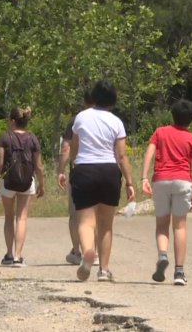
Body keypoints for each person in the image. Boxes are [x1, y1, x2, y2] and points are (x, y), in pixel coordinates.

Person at [65, 80, 135, 282]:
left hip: (85, 169)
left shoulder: (81, 118)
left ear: (93, 97)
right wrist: (130, 182)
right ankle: (104, 270)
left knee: (86, 221)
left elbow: (74, 147)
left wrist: (75, 164)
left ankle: (87, 251)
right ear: (113, 99)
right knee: (106, 224)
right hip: (109, 171)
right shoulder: (116, 122)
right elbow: (121, 156)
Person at [141, 99, 192, 286]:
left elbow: (149, 153)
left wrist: (144, 177)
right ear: (191, 119)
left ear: (172, 114)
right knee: (180, 226)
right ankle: (179, 272)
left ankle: (163, 255)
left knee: (161, 225)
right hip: (183, 181)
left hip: (161, 180)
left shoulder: (160, 132)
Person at [0, 107, 45, 267]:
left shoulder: (5, 138)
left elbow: (0, 164)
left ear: (13, 121)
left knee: (9, 217)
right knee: (21, 218)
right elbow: (39, 166)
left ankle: (8, 254)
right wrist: (42, 185)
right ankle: (18, 257)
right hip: (27, 182)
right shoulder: (33, 138)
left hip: (8, 182)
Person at [57, 90, 99, 266]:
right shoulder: (108, 119)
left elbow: (66, 148)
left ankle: (77, 251)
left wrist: (60, 170)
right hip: (102, 170)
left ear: (84, 101)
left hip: (80, 170)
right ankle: (94, 253)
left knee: (76, 214)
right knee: (96, 214)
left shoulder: (76, 120)